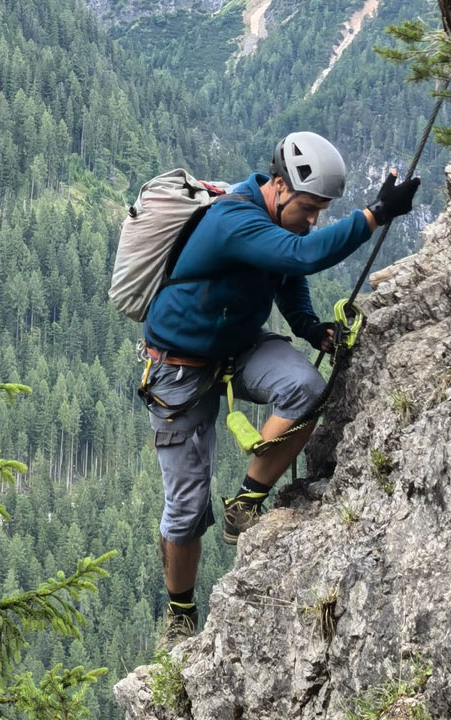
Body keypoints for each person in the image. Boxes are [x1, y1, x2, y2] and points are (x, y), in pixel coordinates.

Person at [138, 131, 420, 650]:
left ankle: (246, 502)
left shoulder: (274, 220)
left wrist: (310, 327)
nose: (312, 220)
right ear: (279, 186)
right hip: (178, 370)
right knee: (185, 506)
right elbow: (302, 256)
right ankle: (180, 611)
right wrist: (375, 214)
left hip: (237, 346)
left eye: (319, 212)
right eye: (308, 208)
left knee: (306, 387)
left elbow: (288, 275)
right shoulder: (234, 219)